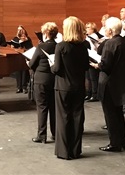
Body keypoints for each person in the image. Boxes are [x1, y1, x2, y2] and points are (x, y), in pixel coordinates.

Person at [51, 16, 89, 160]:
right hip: (78, 86)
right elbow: (86, 66)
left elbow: (57, 69)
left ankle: (64, 152)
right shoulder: (83, 46)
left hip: (63, 87)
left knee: (63, 118)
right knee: (77, 118)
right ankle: (75, 150)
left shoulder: (60, 46)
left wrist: (51, 66)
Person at [90, 17, 125, 152]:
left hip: (108, 83)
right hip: (119, 82)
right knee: (118, 114)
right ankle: (122, 141)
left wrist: (97, 65)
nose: (105, 29)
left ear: (111, 30)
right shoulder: (123, 42)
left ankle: (114, 143)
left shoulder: (110, 43)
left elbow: (106, 65)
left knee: (110, 115)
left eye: (106, 27)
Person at [29, 22, 58, 143]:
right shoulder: (58, 46)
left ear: (46, 33)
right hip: (54, 79)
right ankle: (56, 134)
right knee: (53, 107)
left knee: (42, 107)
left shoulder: (40, 47)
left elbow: (32, 64)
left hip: (41, 79)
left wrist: (29, 63)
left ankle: (42, 135)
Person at [11, 25, 33, 93]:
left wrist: (24, 43)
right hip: (18, 57)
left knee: (24, 71)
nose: (20, 31)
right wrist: (16, 48)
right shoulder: (15, 39)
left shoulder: (28, 39)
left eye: (21, 30)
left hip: (25, 56)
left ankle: (24, 87)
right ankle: (19, 87)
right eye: (19, 30)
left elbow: (31, 47)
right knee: (18, 72)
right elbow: (12, 47)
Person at [85, 22, 101, 102]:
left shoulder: (94, 36)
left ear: (92, 29)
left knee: (93, 77)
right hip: (89, 56)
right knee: (88, 77)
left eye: (88, 27)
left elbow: (96, 47)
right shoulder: (88, 37)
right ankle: (89, 93)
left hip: (94, 57)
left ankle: (95, 94)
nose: (86, 29)